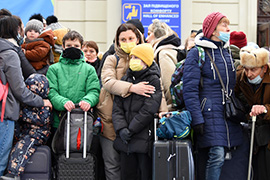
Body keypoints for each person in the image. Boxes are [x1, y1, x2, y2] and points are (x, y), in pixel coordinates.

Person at [96, 23, 167, 180]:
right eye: (123, 39)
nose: (127, 42)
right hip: (112, 120)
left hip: (139, 126)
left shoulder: (147, 58)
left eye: (131, 38)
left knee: (140, 169)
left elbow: (158, 89)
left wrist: (162, 111)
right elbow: (107, 82)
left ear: (138, 38)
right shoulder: (111, 59)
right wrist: (132, 88)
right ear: (117, 41)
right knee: (114, 165)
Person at [183, 12, 243, 180]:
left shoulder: (227, 52)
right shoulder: (197, 53)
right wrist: (197, 118)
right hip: (208, 112)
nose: (228, 29)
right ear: (213, 30)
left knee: (224, 155)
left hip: (226, 113)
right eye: (224, 25)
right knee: (217, 153)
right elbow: (190, 89)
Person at [0, 16, 51, 177]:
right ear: (15, 30)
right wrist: (41, 101)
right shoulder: (9, 53)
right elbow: (19, 89)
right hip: (4, 111)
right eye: (21, 28)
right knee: (1, 157)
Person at [112, 43, 162, 180]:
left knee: (144, 174)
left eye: (136, 57)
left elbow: (149, 109)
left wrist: (131, 129)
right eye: (132, 57)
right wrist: (121, 129)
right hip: (125, 140)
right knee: (127, 174)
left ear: (146, 60)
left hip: (143, 138)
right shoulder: (126, 80)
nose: (133, 60)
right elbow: (117, 108)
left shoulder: (153, 80)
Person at [46, 30, 100, 132]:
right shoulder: (53, 69)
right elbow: (51, 92)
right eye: (69, 45)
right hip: (59, 121)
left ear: (81, 47)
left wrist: (88, 100)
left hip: (82, 120)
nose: (72, 48)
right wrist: (63, 102)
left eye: (76, 46)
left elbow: (94, 91)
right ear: (63, 46)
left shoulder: (89, 69)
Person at [1, 74, 52, 180]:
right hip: (24, 131)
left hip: (37, 134)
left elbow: (42, 120)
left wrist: (22, 115)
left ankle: (13, 173)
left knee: (23, 147)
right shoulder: (25, 102)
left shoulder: (45, 103)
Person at [235, 46, 270, 180]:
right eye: (246, 69)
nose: (249, 74)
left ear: (264, 68)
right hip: (256, 132)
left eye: (253, 70)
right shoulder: (241, 77)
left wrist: (265, 109)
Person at [146, 19, 181, 110]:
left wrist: (169, 107)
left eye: (149, 34)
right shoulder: (170, 50)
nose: (146, 38)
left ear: (158, 34)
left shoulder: (163, 53)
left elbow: (168, 83)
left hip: (170, 108)